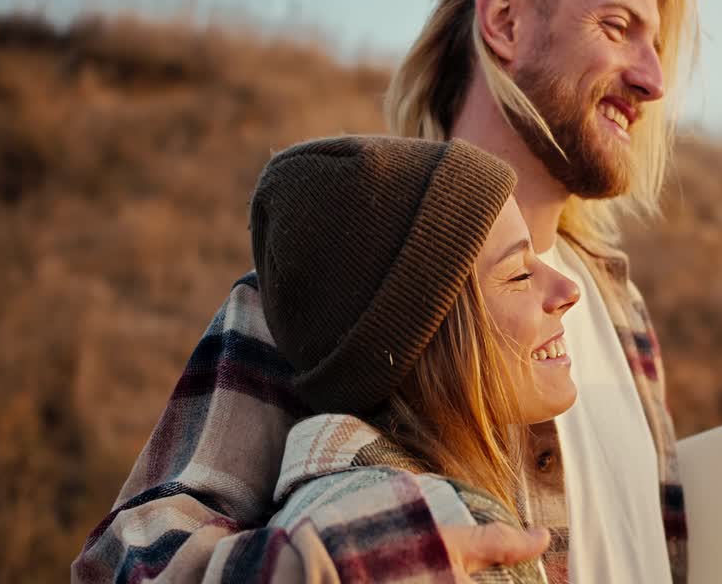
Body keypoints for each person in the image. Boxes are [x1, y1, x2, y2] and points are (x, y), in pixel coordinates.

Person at [74, 0, 697, 583]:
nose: (653, 79)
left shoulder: (624, 316)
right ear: (504, 22)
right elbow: (126, 565)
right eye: (618, 28)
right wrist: (329, 564)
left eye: (657, 46)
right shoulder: (341, 279)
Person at [235, 135, 577, 582]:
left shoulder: (317, 518)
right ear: (425, 338)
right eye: (518, 273)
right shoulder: (446, 539)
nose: (569, 291)